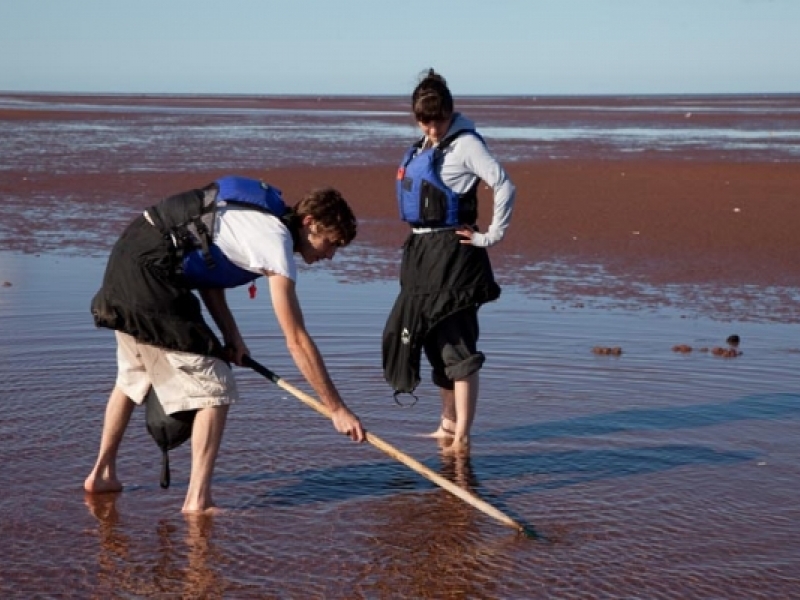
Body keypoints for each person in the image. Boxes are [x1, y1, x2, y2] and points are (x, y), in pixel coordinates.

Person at [84, 175, 366, 513]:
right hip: (152, 279)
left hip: (128, 264)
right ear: (309, 223)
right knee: (216, 387)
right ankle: (198, 502)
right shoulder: (275, 244)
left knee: (134, 375)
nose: (331, 255)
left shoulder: (255, 222)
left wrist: (232, 336)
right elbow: (296, 340)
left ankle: (102, 474)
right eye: (331, 243)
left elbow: (207, 269)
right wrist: (336, 408)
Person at [382, 69, 516, 456]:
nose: (432, 127)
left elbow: (504, 184)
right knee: (431, 341)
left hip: (455, 258)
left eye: (437, 120)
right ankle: (446, 425)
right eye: (424, 120)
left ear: (450, 112)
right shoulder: (422, 147)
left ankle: (463, 437)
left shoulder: (466, 145)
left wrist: (490, 235)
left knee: (457, 345)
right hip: (422, 256)